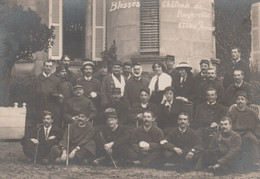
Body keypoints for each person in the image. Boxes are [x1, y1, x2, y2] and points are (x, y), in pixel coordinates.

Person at [228, 91, 260, 169]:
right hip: (235, 132)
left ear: (246, 101)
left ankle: (255, 161)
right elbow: (228, 123)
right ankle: (236, 164)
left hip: (248, 132)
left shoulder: (251, 112)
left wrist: (256, 134)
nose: (240, 101)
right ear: (236, 101)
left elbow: (258, 124)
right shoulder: (232, 112)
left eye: (242, 99)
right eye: (238, 99)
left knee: (251, 139)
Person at [32, 60, 62, 124]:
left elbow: (59, 94)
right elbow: (33, 95)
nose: (48, 68)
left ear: (52, 68)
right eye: (46, 66)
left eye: (50, 66)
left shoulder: (56, 80)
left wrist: (59, 96)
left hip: (52, 109)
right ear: (43, 67)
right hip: (40, 108)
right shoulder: (37, 79)